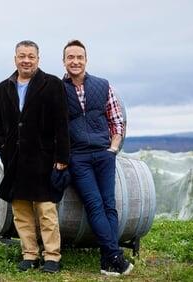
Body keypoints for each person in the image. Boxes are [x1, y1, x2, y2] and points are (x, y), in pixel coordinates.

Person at [0, 40, 70, 273]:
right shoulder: (1, 88)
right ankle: (30, 255)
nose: (26, 60)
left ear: (38, 58)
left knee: (46, 211)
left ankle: (52, 257)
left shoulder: (52, 84)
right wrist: (2, 147)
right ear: (15, 58)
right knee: (21, 212)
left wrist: (62, 156)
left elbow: (62, 123)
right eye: (22, 55)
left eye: (31, 56)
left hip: (44, 159)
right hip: (15, 160)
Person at [62, 39, 133, 276]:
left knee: (109, 205)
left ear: (85, 60)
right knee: (94, 204)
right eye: (70, 57)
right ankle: (114, 256)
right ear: (64, 61)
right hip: (78, 157)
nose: (75, 61)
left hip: (104, 154)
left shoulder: (103, 85)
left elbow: (116, 120)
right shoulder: (57, 89)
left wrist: (113, 148)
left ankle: (107, 260)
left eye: (79, 57)